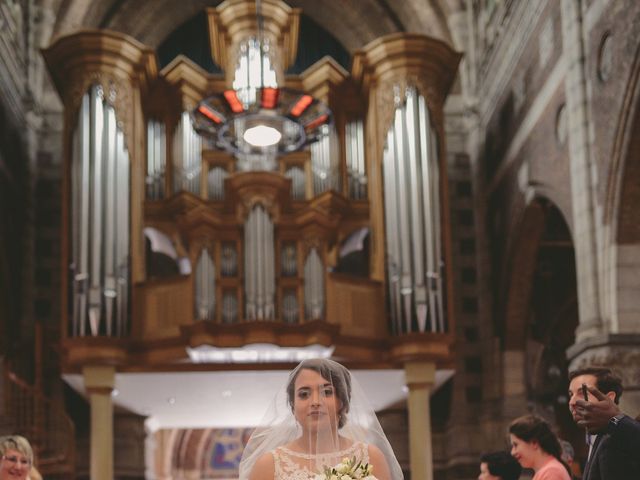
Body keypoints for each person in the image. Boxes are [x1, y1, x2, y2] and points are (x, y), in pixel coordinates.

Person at [239, 358, 403, 480]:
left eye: (327, 392)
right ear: (293, 406)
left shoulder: (370, 457)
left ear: (342, 402)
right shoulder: (268, 465)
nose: (315, 402)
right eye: (304, 394)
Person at [567, 366, 640, 480]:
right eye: (571, 394)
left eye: (582, 393)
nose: (572, 402)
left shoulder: (614, 441)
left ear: (609, 398)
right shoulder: (595, 439)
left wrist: (615, 420)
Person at [509, 415, 571, 480]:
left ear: (534, 443)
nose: (512, 452)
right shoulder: (548, 471)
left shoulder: (551, 472)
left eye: (515, 445)